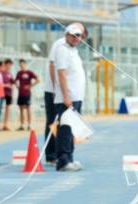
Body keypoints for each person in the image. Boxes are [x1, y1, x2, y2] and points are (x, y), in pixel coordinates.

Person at [54, 23, 87, 172]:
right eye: (73, 35)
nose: (76, 38)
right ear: (66, 35)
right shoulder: (62, 50)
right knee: (65, 130)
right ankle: (63, 161)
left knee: (71, 130)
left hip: (76, 97)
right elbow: (61, 74)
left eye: (78, 35)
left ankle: (69, 158)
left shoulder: (73, 50)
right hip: (67, 98)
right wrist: (66, 96)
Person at [44, 36, 67, 164]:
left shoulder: (70, 48)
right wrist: (54, 88)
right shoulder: (60, 43)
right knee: (53, 121)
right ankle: (51, 154)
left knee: (62, 123)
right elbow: (52, 65)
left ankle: (59, 154)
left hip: (62, 92)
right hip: (53, 91)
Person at [14, 59, 39, 131]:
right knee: (21, 109)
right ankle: (22, 125)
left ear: (25, 64)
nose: (22, 66)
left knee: (28, 109)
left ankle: (29, 125)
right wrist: (17, 86)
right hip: (20, 94)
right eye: (21, 65)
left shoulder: (29, 72)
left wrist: (30, 86)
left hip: (27, 94)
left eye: (23, 64)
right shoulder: (19, 73)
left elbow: (38, 80)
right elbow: (15, 81)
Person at [1, 59, 14, 131]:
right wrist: (6, 85)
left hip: (9, 94)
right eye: (8, 65)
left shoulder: (10, 74)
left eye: (10, 65)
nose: (9, 66)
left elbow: (12, 82)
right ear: (5, 64)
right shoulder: (1, 73)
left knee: (7, 109)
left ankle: (5, 124)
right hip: (1, 93)